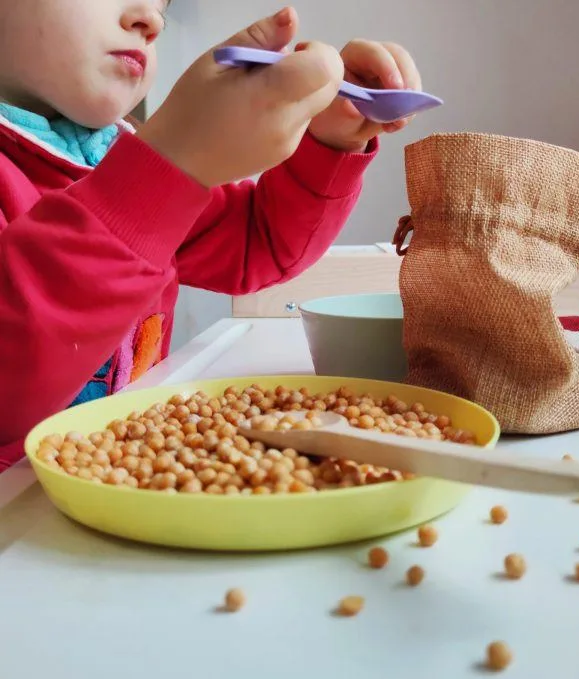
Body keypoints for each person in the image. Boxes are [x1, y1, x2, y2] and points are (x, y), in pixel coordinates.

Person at [0, 2, 423, 471]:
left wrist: (331, 139)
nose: (151, 18)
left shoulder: (107, 155)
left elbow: (259, 242)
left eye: (161, 2)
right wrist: (169, 165)